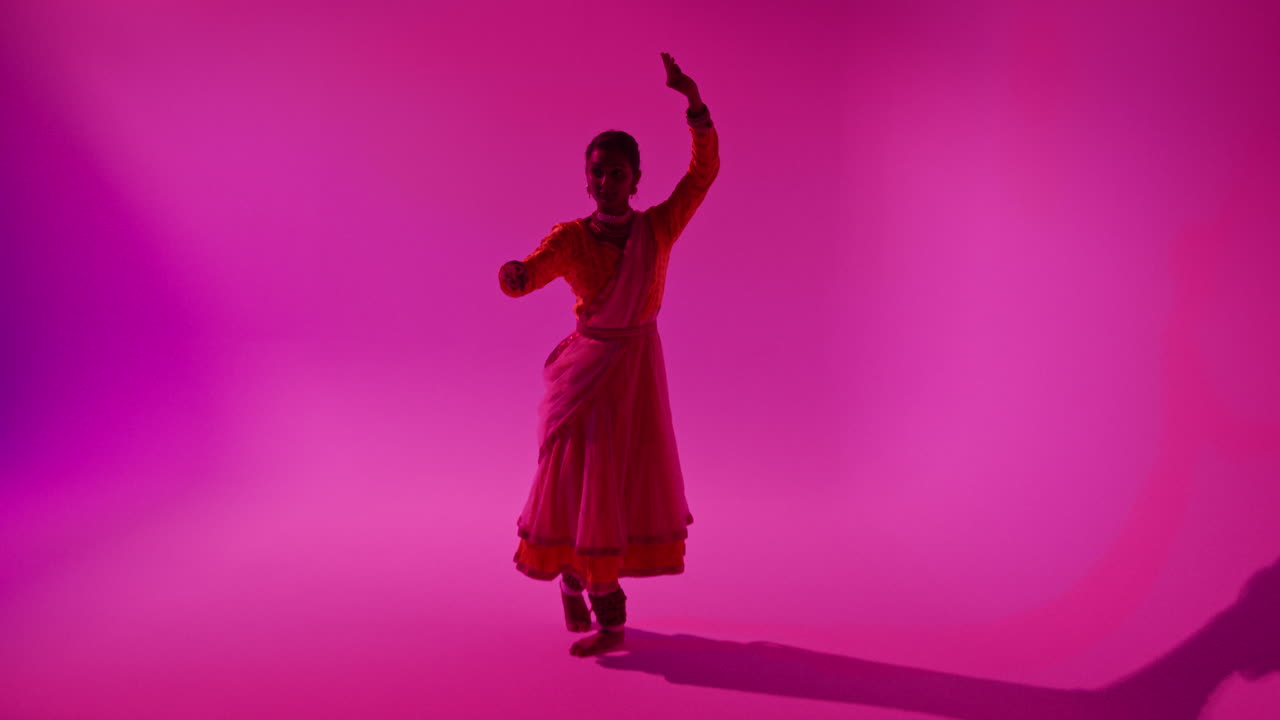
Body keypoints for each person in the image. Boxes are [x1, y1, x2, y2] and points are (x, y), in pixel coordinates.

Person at [498, 52, 719, 657]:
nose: (605, 182)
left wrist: (694, 103)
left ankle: (606, 615)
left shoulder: (657, 229)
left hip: (636, 370)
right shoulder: (572, 238)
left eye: (617, 173)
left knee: (617, 481)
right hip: (585, 374)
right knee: (575, 477)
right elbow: (533, 271)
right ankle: (577, 582)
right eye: (597, 172)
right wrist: (516, 275)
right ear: (586, 176)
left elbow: (703, 175)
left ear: (636, 179)